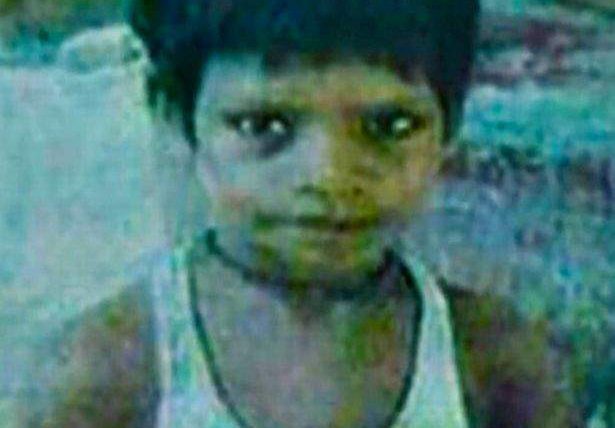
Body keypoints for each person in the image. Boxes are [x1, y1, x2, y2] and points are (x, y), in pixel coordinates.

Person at [22, 0, 610, 427]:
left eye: (390, 125)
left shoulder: (496, 361)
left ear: (449, 126)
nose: (329, 177)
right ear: (177, 117)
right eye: (264, 125)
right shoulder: (109, 374)